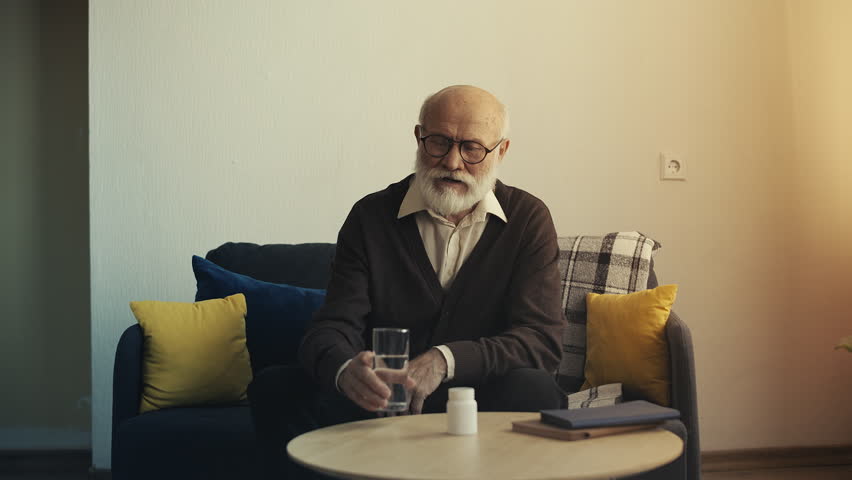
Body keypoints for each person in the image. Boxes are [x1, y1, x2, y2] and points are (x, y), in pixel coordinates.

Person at [249, 85, 567, 479]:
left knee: (535, 390)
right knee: (274, 388)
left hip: (478, 399)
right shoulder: (370, 216)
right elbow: (331, 326)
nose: (452, 161)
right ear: (419, 138)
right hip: (382, 400)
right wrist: (347, 369)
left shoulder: (528, 219)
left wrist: (444, 360)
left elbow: (542, 340)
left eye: (472, 148)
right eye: (439, 142)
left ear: (500, 151)